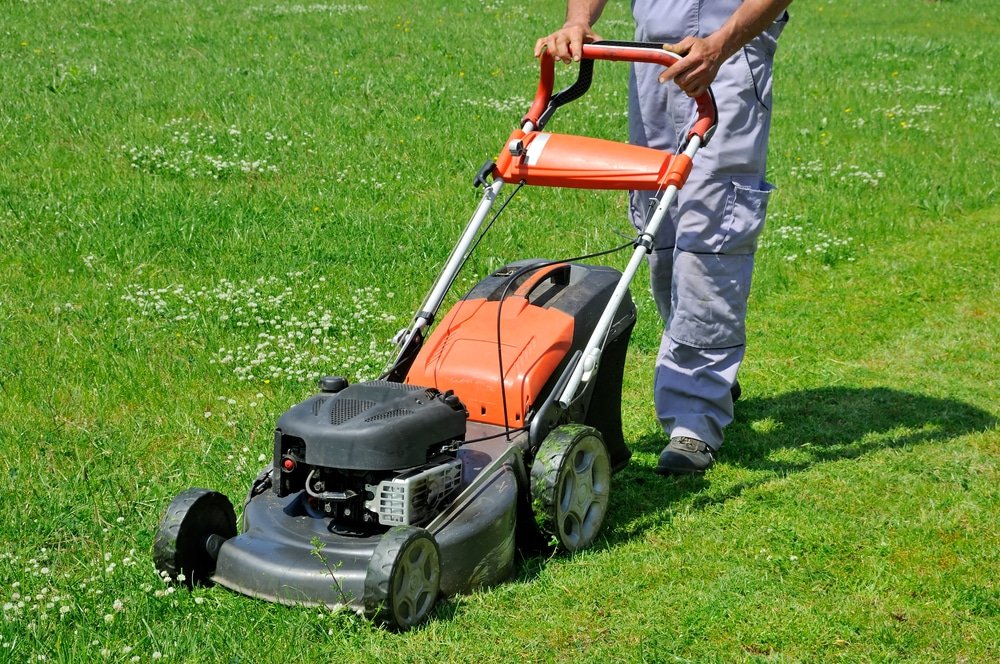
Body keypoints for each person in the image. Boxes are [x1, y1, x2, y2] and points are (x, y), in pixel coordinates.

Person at [536, 0, 792, 474]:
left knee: (713, 232)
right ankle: (706, 369)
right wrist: (578, 21)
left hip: (729, 57)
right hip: (649, 57)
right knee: (660, 226)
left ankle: (695, 415)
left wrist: (721, 45)